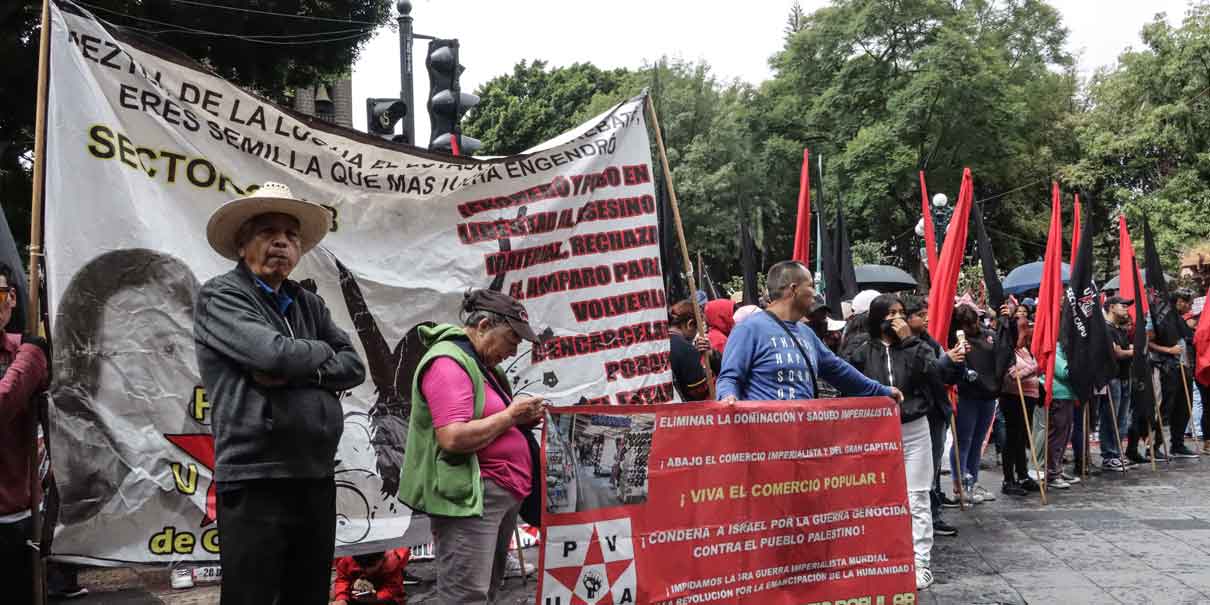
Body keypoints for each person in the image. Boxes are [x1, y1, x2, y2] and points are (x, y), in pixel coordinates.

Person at [194, 182, 368, 605]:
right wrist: (317, 355)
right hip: (257, 478)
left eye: (291, 236)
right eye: (267, 231)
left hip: (314, 475)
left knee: (307, 595)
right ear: (241, 245)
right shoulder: (222, 295)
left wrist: (306, 360)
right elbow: (271, 354)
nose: (281, 242)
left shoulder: (308, 303)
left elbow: (354, 366)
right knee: (253, 597)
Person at [396, 289, 545, 605]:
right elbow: (452, 437)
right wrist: (510, 416)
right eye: (511, 338)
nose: (514, 348)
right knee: (466, 597)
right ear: (484, 324)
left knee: (484, 592)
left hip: (494, 495)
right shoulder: (448, 363)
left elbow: (489, 420)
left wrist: (519, 421)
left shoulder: (482, 364)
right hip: (471, 498)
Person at [845, 294, 964, 590]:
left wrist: (910, 341)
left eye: (900, 312)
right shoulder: (861, 350)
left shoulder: (917, 347)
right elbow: (847, 384)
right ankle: (880, 556)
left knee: (917, 497)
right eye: (890, 313)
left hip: (914, 430)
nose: (896, 318)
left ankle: (920, 561)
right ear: (876, 318)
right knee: (876, 497)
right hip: (875, 432)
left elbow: (935, 376)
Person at [717, 261, 902, 404]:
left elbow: (839, 371)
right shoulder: (748, 329)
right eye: (811, 286)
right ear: (794, 289)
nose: (814, 294)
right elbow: (730, 377)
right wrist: (728, 398)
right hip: (764, 442)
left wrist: (882, 391)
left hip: (803, 440)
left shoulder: (807, 334)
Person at [0, 263, 50, 605]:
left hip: (18, 518)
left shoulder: (25, 348)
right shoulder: (28, 354)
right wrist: (31, 359)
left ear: (12, 298)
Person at [902, 296, 961, 536]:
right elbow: (920, 373)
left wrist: (955, 363)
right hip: (916, 413)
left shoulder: (930, 342)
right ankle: (923, 518)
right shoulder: (902, 346)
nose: (927, 318)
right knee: (921, 471)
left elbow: (943, 377)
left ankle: (932, 515)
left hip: (937, 411)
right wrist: (945, 360)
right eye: (921, 314)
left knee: (933, 468)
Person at [949, 303, 1010, 503]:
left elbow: (1005, 349)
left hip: (989, 394)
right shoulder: (956, 339)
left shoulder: (988, 335)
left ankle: (972, 481)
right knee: (963, 441)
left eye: (974, 321)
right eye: (967, 324)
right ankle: (960, 484)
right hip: (967, 396)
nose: (973, 327)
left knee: (978, 441)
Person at [1000, 316, 1042, 494]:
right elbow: (1012, 376)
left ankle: (1023, 475)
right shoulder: (1008, 351)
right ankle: (1008, 479)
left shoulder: (1026, 349)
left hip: (1029, 397)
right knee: (1012, 438)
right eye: (1024, 327)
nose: (1028, 330)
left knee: (1021, 439)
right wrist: (1036, 368)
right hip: (1014, 398)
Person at [1100, 296, 1135, 471]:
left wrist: (1128, 351)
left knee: (1121, 419)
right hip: (1111, 377)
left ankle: (1117, 451)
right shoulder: (1105, 329)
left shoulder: (1119, 329)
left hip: (1124, 376)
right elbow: (1117, 353)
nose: (1126, 309)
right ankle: (1109, 454)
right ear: (1112, 307)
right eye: (1123, 306)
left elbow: (1124, 350)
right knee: (1110, 417)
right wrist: (1131, 351)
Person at [667, 300, 715, 401]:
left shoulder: (659, 343)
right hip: (682, 410)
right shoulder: (687, 349)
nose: (697, 332)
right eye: (697, 327)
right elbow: (699, 391)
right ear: (690, 324)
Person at [1045, 346, 1077, 489]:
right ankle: (1052, 472)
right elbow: (1064, 372)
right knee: (1057, 436)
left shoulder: (1064, 348)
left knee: (1065, 435)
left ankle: (1057, 468)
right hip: (1057, 395)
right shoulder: (1054, 347)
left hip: (1067, 395)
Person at [331, 548, 411, 605]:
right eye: (362, 566)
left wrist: (375, 598)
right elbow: (343, 580)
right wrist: (341, 598)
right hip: (356, 596)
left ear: (382, 558)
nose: (367, 570)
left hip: (384, 599)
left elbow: (393, 589)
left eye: (372, 565)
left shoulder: (393, 563)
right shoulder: (346, 559)